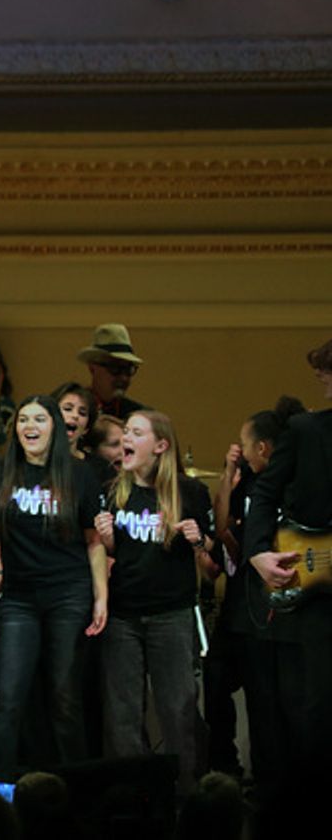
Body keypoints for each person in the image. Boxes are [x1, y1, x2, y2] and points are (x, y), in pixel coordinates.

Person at [0, 394, 107, 780]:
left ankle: (76, 792)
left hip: (69, 593)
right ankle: (0, 790)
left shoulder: (78, 475)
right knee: (8, 696)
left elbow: (94, 541)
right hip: (18, 596)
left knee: (65, 697)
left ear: (55, 429)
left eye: (40, 420)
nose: (30, 427)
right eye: (24, 420)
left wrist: (101, 597)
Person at [93, 410, 213, 794]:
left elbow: (213, 560)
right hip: (124, 615)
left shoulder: (189, 492)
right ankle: (134, 796)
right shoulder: (114, 490)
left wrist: (198, 539)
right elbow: (112, 556)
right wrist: (108, 539)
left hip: (171, 614)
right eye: (125, 431)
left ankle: (185, 796)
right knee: (123, 713)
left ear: (160, 446)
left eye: (136, 433)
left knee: (178, 710)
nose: (126, 438)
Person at [210, 396, 305, 799]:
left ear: (263, 447)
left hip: (270, 612)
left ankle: (272, 781)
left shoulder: (292, 484)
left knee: (266, 700)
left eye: (244, 446)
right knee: (216, 684)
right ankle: (223, 765)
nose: (242, 451)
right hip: (237, 607)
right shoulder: (248, 480)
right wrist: (230, 470)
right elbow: (224, 527)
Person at [246, 337, 332, 779]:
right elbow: (264, 493)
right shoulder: (306, 431)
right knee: (316, 711)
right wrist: (258, 551)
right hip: (319, 594)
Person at [78, 323, 146, 419]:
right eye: (115, 368)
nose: (124, 377)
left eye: (128, 369)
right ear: (92, 368)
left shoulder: (139, 416)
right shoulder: (71, 410)